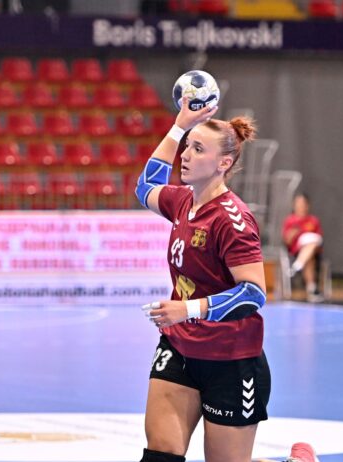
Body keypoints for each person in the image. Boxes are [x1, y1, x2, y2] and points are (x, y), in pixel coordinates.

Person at [135, 97, 271, 462]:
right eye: (187, 146)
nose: (185, 155)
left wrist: (188, 309)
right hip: (180, 348)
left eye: (198, 149)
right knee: (160, 455)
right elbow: (145, 187)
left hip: (230, 358)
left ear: (224, 163)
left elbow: (254, 294)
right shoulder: (182, 201)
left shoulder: (232, 220)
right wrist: (179, 126)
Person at [282, 193, 324, 303]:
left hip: (314, 253)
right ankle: (311, 290)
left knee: (311, 248)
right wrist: (293, 233)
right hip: (295, 253)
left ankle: (297, 266)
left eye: (302, 203)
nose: (300, 205)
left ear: (307, 205)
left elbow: (319, 240)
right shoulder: (290, 220)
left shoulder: (313, 221)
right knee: (309, 259)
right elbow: (287, 242)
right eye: (298, 203)